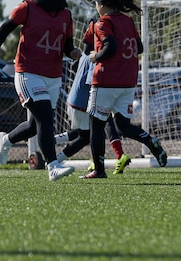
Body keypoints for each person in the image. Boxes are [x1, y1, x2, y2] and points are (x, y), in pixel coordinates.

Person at [0, 0, 81, 181]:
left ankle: (7, 140)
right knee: (46, 119)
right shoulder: (28, 7)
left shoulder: (66, 15)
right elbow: (6, 27)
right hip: (28, 72)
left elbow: (67, 46)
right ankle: (53, 166)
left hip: (53, 75)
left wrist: (73, 53)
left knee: (35, 124)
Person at [80, 0, 169, 179]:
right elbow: (139, 48)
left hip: (106, 80)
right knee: (123, 126)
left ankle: (99, 170)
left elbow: (109, 47)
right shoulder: (128, 22)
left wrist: (96, 57)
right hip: (127, 82)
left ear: (101, 5)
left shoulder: (103, 22)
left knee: (96, 124)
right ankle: (149, 140)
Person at [53, 19, 131, 174]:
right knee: (88, 135)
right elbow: (92, 83)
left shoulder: (88, 55)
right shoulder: (97, 58)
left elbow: (78, 68)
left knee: (88, 131)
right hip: (83, 102)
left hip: (76, 101)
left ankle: (54, 146)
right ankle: (55, 159)